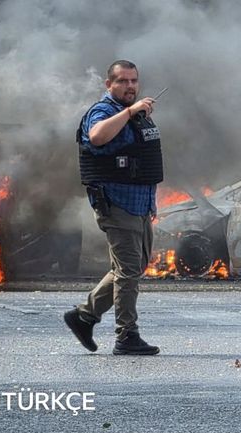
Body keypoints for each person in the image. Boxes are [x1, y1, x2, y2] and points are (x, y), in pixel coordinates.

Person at [64, 60, 162, 356]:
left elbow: (143, 159)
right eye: (123, 81)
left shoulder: (137, 116)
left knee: (131, 268)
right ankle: (126, 335)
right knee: (129, 270)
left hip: (139, 204)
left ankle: (84, 316)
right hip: (116, 203)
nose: (130, 86)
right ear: (109, 84)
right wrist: (130, 111)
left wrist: (150, 202)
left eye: (134, 81)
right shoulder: (104, 111)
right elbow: (97, 137)